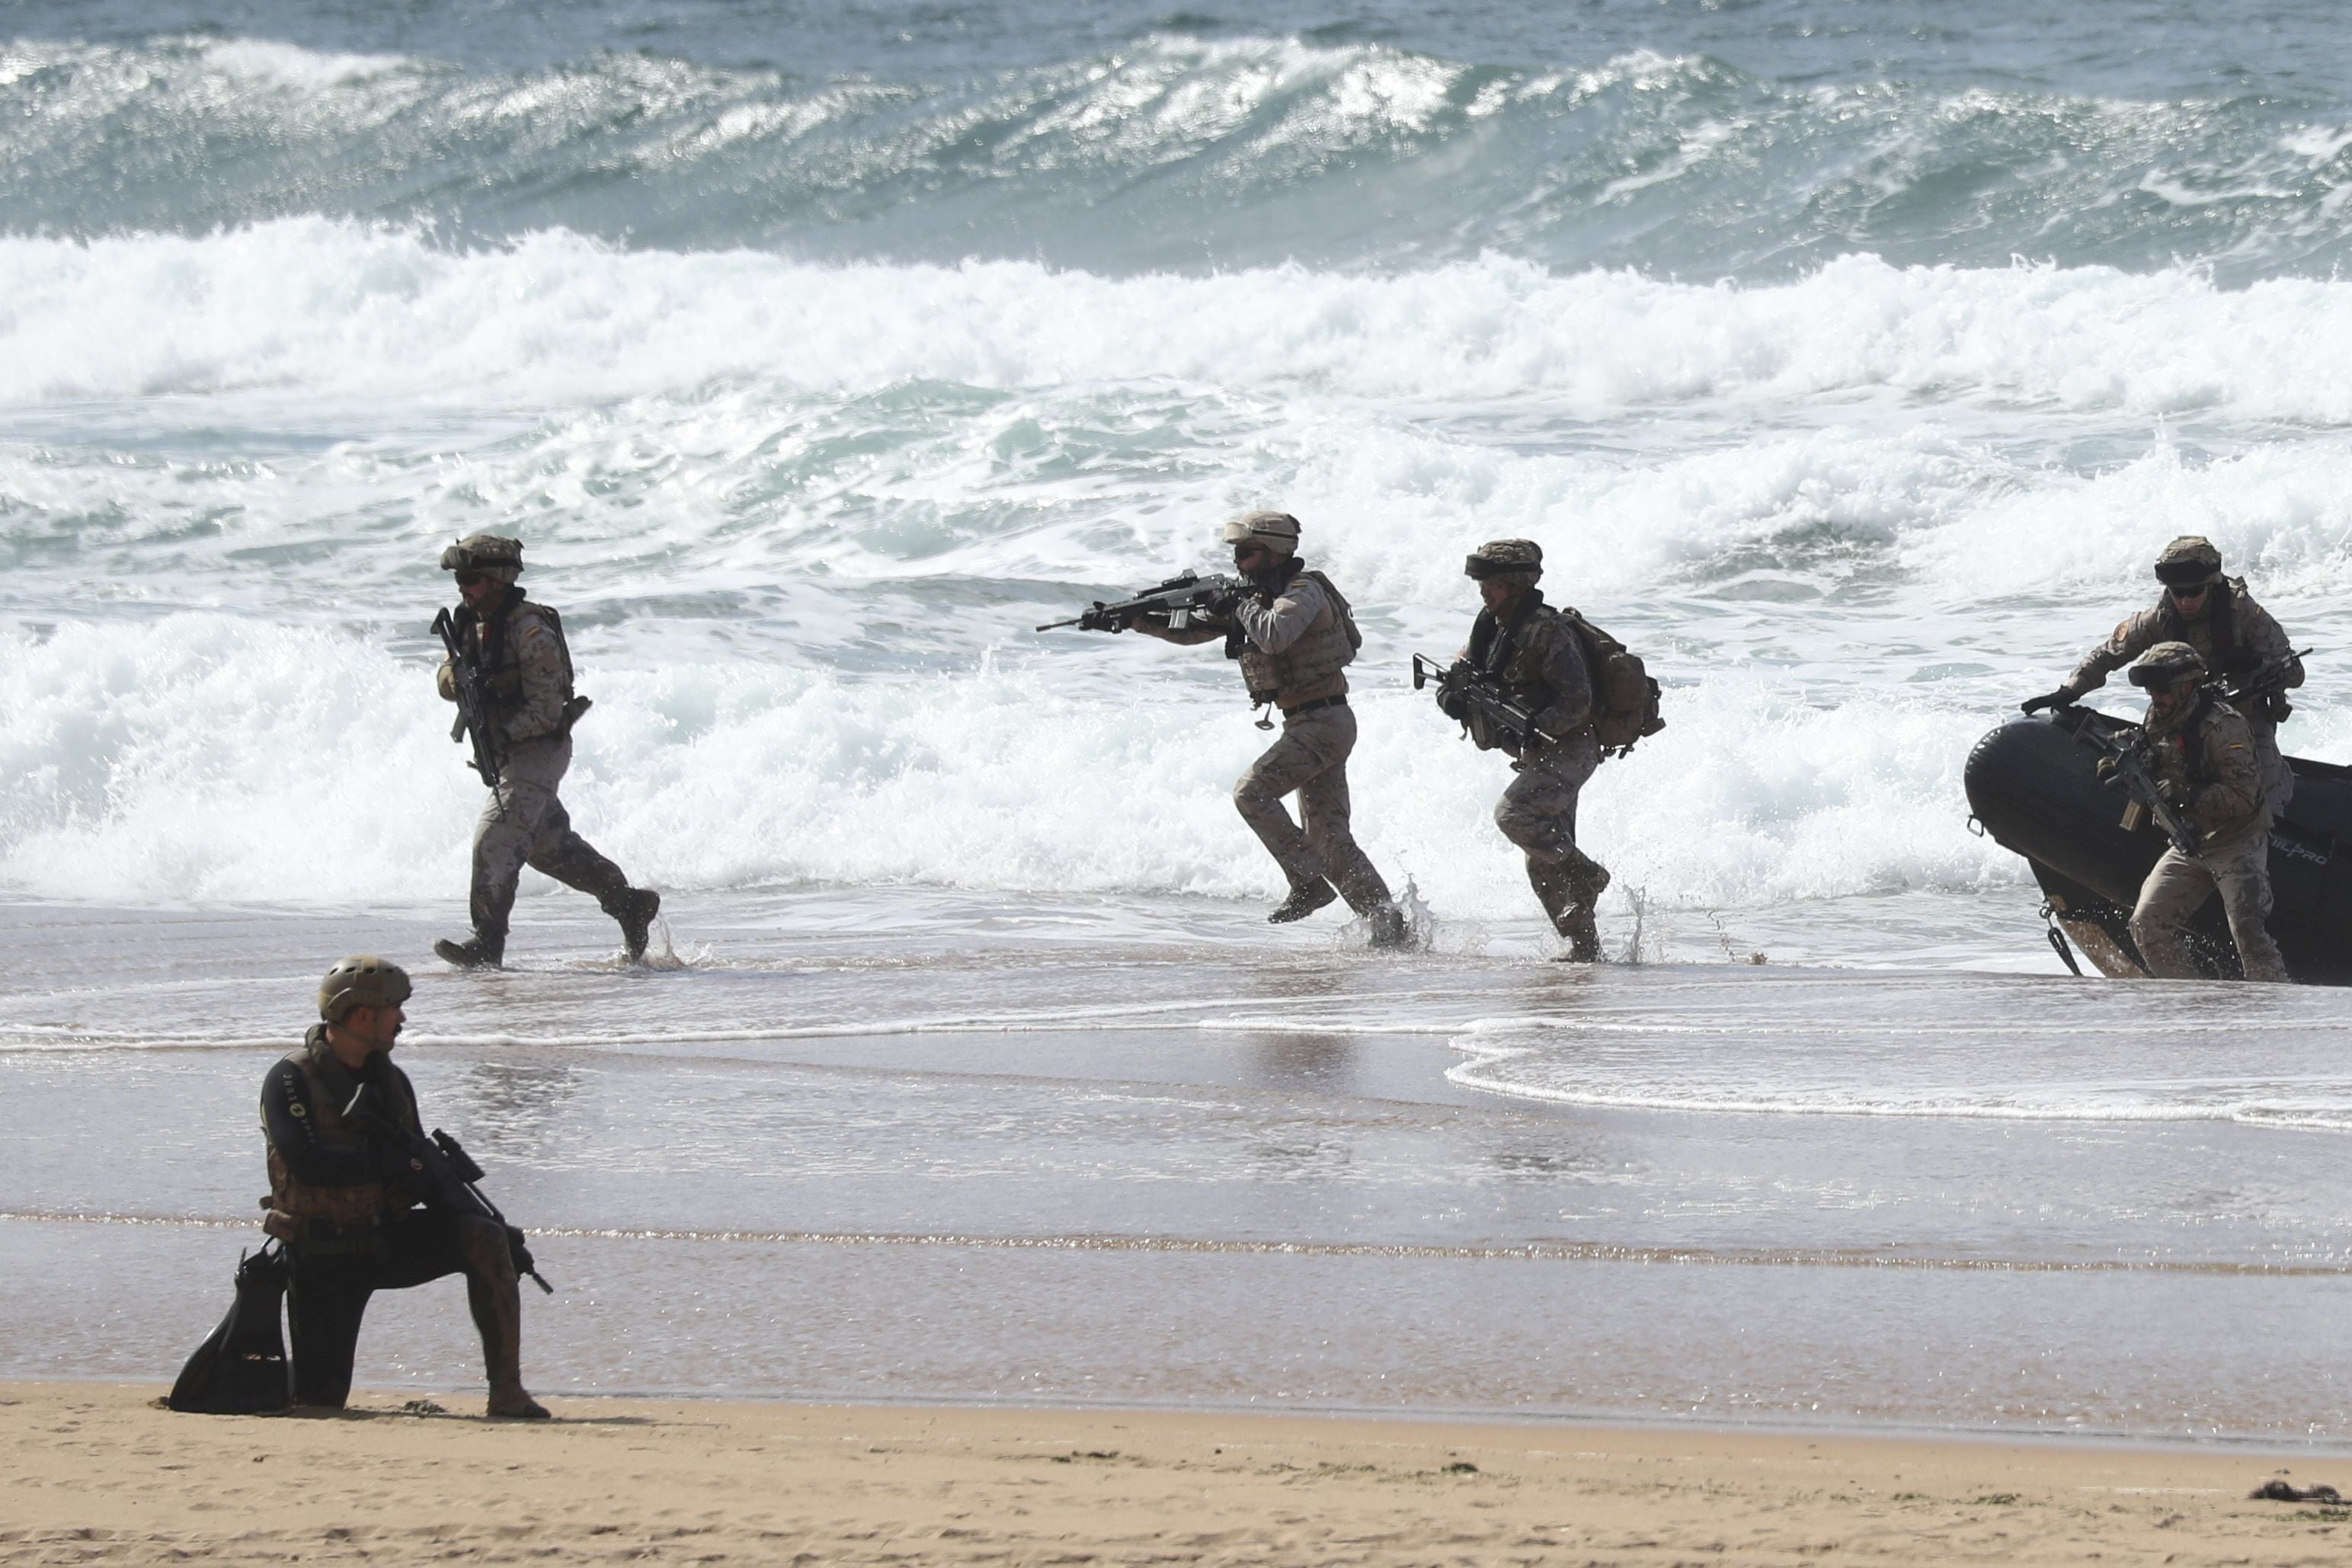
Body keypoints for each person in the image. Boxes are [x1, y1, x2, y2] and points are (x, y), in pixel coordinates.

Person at [260, 955, 552, 1416]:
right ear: (362, 1016)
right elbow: (309, 1165)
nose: (403, 1020)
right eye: (395, 1009)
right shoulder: (291, 1079)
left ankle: (507, 1392)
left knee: (486, 1239)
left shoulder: (391, 1083)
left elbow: (423, 1175)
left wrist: (483, 1223)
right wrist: (391, 1163)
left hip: (383, 1239)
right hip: (322, 1255)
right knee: (318, 1401)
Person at [1128, 511, 1408, 946]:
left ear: (1276, 552)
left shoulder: (1303, 592)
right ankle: (1390, 931)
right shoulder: (1260, 597)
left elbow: (1276, 635)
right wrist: (1136, 620)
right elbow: (1194, 633)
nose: (1239, 561)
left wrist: (1238, 604)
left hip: (1323, 720)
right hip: (1310, 721)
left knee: (1251, 792)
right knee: (1331, 841)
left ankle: (1308, 884)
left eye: (1248, 552)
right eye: (1237, 554)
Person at [434, 533, 659, 968]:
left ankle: (486, 944)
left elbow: (545, 708)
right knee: (550, 849)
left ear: (499, 579)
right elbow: (446, 683)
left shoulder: (529, 629)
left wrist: (504, 736)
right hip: (506, 754)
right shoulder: (469, 624)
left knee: (495, 840)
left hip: (538, 749)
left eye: (473, 578)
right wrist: (453, 675)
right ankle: (628, 902)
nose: (464, 587)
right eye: (461, 578)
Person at [2024, 535, 2302, 813]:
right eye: (2177, 593)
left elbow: (2294, 671)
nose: (2185, 602)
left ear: (2211, 583)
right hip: (2177, 717)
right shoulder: (2160, 618)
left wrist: (2254, 665)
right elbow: (2108, 655)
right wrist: (2070, 690)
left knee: (2263, 791)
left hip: (2244, 718)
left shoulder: (2245, 614)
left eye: (2194, 592)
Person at [1440, 539, 1611, 961]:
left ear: (1515, 584)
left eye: (1492, 583)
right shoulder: (1493, 628)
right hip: (1542, 752)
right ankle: (1584, 949)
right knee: (1542, 858)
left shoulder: (1548, 631)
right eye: (1482, 583)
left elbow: (1577, 701)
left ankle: (1587, 874)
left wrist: (1537, 726)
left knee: (1514, 815)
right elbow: (1464, 674)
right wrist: (1452, 697)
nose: (1483, 591)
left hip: (1571, 747)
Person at [2114, 643, 2287, 983]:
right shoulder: (2158, 718)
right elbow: (2153, 755)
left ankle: (2275, 1010)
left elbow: (2243, 797)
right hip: (2190, 839)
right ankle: (2189, 1001)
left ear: (2188, 686)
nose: (2155, 696)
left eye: (2162, 688)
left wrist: (2190, 794)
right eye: (2151, 689)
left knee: (2248, 932)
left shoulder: (2224, 728)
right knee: (2147, 925)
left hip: (2237, 840)